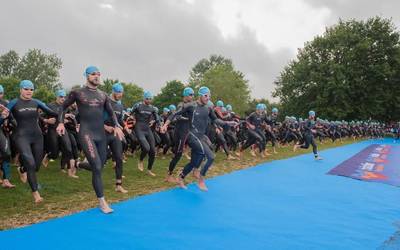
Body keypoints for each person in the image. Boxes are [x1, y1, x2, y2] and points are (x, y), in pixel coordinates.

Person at [56, 66, 124, 213]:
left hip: (101, 135)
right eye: (93, 74)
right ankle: (102, 202)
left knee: (100, 165)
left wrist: (117, 125)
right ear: (86, 76)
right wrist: (60, 122)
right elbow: (62, 107)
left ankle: (79, 164)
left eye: (98, 74)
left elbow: (111, 113)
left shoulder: (103, 95)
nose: (97, 76)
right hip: (86, 134)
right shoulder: (77, 92)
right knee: (97, 167)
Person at [162, 86, 236, 191]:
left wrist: (226, 123)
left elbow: (215, 120)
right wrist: (165, 125)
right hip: (191, 135)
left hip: (201, 136)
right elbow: (174, 114)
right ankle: (201, 180)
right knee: (210, 156)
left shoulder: (208, 108)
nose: (208, 98)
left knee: (194, 162)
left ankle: (180, 177)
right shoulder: (191, 106)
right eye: (206, 96)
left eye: (209, 96)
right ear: (200, 95)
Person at [1, 80, 58, 202]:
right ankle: (36, 194)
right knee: (30, 164)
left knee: (36, 166)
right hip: (21, 136)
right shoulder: (14, 103)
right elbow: (2, 120)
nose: (29, 91)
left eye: (31, 89)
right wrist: (3, 117)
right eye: (26, 89)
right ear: (20, 89)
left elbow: (52, 113)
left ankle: (22, 169)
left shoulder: (36, 102)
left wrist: (62, 112)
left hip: (37, 136)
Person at [162, 87, 194, 182]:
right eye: (190, 94)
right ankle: (169, 175)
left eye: (193, 95)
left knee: (199, 147)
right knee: (178, 155)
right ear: (185, 95)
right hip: (180, 133)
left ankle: (194, 169)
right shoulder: (183, 105)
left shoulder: (189, 105)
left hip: (187, 132)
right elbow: (174, 114)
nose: (192, 96)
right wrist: (166, 124)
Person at [104, 83, 128, 193]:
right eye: (118, 92)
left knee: (119, 158)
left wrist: (125, 126)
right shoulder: (105, 101)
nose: (120, 94)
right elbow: (96, 117)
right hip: (102, 133)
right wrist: (105, 126)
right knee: (99, 161)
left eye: (121, 92)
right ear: (113, 91)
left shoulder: (120, 105)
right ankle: (78, 164)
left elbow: (119, 119)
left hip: (114, 134)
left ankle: (118, 185)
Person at [131, 91, 161, 176]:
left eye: (150, 99)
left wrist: (159, 125)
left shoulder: (152, 108)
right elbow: (129, 114)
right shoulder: (138, 105)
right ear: (144, 98)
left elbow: (157, 118)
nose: (149, 100)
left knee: (152, 151)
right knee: (146, 148)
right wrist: (131, 119)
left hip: (147, 129)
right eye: (147, 98)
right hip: (139, 128)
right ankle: (140, 160)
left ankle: (149, 170)